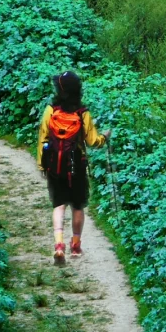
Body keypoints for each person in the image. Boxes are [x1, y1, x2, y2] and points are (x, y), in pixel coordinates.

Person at [36, 71, 106, 265]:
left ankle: (58, 245)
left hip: (55, 162)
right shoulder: (82, 113)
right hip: (76, 162)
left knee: (59, 205)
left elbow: (43, 137)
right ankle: (75, 245)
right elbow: (92, 141)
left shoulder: (51, 110)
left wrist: (42, 163)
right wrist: (104, 138)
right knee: (77, 205)